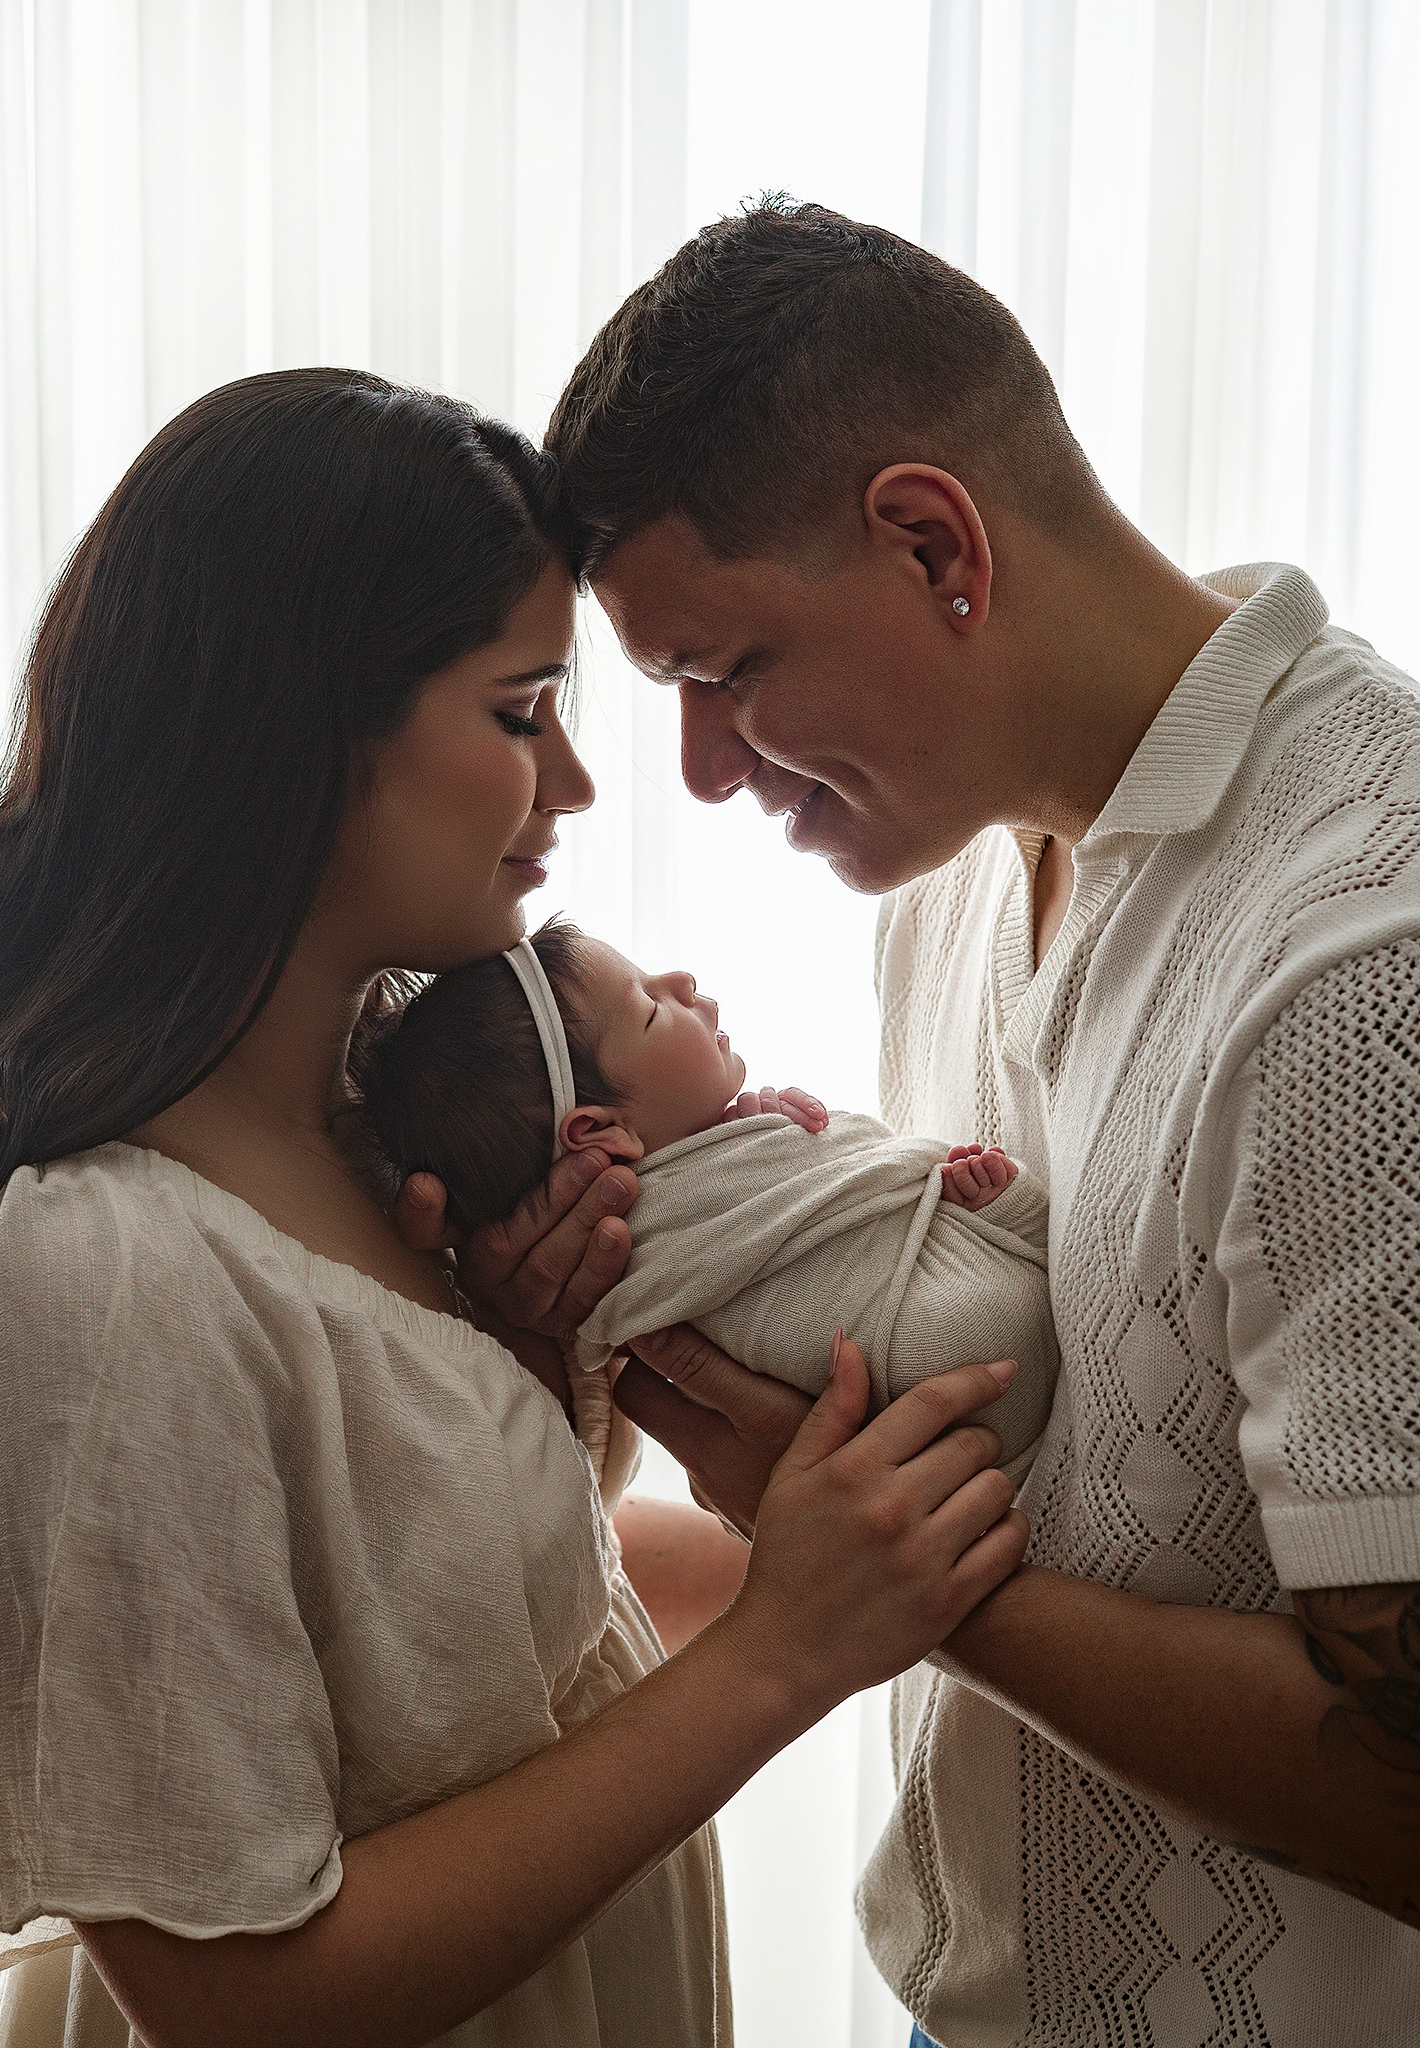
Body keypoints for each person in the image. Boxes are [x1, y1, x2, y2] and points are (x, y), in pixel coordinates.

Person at [403, 200, 1419, 2043]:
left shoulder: (1364, 960)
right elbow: (1075, 1478)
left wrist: (879, 1575)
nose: (701, 772)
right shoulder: (944, 884)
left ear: (932, 541)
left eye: (719, 674)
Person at [0, 368, 1032, 2048]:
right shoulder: (94, 1274)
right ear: (300, 734)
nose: (583, 789)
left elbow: (444, 1646)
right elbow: (237, 1998)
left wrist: (549, 1379)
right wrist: (780, 1652)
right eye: (523, 710)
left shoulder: (378, 1126)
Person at [355, 918, 1054, 1485]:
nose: (682, 982)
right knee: (991, 1250)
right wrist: (811, 1142)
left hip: (945, 1369)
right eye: (651, 1010)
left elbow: (811, 1193)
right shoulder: (622, 1237)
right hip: (937, 1347)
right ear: (597, 1133)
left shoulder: (705, 1166)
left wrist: (776, 1134)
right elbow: (841, 1190)